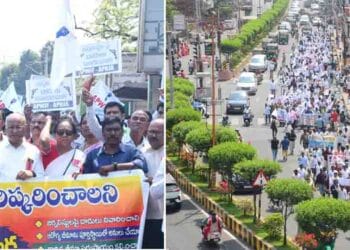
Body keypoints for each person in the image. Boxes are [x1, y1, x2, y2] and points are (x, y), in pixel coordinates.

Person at [83, 117, 147, 175]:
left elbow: (141, 164)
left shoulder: (131, 151)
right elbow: (85, 178)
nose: (113, 133)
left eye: (116, 130)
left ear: (122, 132)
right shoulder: (92, 155)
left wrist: (115, 167)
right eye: (109, 130)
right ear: (103, 133)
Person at [0, 113, 44, 180]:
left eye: (18, 127)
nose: (14, 131)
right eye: (11, 127)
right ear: (5, 129)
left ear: (25, 128)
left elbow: (41, 175)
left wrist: (31, 174)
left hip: (26, 190)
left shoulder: (34, 151)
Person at [142, 119, 165, 249]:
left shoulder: (168, 153)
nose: (153, 135)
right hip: (146, 215)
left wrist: (154, 182)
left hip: (162, 213)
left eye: (157, 132)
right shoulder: (141, 153)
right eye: (151, 132)